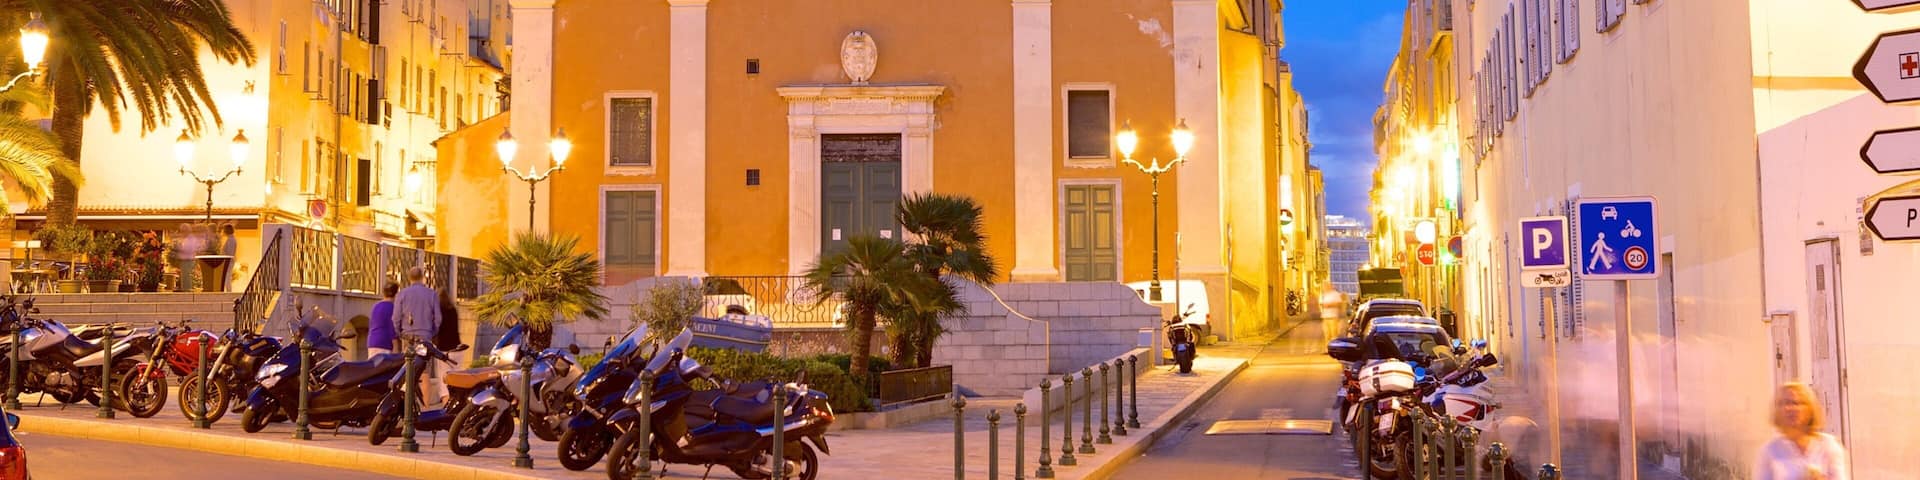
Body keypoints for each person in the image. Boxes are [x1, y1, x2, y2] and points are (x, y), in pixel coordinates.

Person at [1754, 383, 1849, 480]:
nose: (1789, 408)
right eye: (1784, 403)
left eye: (1795, 403)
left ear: (1810, 409)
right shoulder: (1770, 451)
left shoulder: (1828, 446)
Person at [393, 267, 443, 402]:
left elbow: (396, 318)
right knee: (424, 372)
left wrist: (400, 333)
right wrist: (431, 332)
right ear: (422, 277)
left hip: (408, 338)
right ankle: (425, 406)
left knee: (408, 370)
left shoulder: (402, 294)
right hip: (425, 337)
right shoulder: (431, 294)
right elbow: (438, 319)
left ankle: (408, 405)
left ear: (409, 278)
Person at [367, 282, 398, 356]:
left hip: (372, 342)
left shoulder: (376, 306)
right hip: (385, 344)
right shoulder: (392, 308)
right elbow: (392, 328)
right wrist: (396, 346)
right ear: (396, 294)